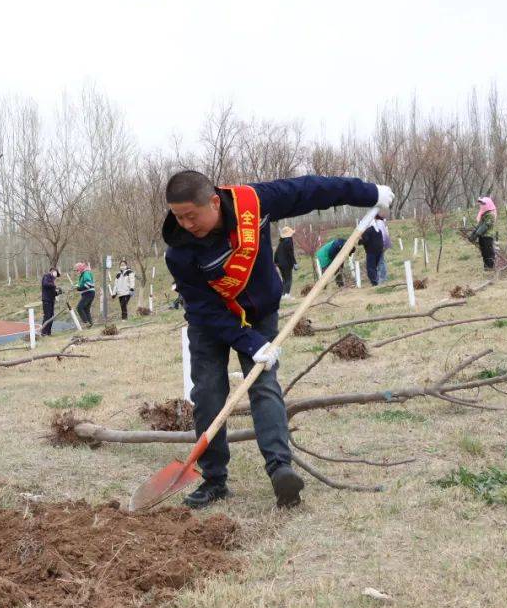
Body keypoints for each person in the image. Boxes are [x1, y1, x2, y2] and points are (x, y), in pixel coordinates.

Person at [162, 170, 392, 509]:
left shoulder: (252, 204)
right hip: (211, 322)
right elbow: (203, 309)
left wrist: (369, 193)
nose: (185, 224)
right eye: (178, 217)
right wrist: (251, 344)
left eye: (191, 216)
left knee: (263, 384)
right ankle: (214, 480)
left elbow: (311, 191)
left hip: (260, 312)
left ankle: (280, 470)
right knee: (209, 391)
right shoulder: (179, 252)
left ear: (213, 201)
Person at [468, 196, 498, 270]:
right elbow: (479, 225)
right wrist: (473, 234)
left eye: (483, 204)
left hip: (488, 237)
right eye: (481, 204)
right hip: (482, 236)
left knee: (489, 252)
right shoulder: (483, 215)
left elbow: (485, 226)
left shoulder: (491, 215)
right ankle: (486, 267)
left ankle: (491, 266)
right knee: (484, 252)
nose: (482, 206)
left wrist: (476, 234)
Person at [273, 226, 297, 297]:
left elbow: (276, 253)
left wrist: (276, 262)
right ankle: (287, 294)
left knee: (284, 279)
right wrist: (295, 263)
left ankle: (283, 295)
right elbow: (290, 253)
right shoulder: (289, 241)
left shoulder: (281, 242)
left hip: (280, 264)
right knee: (289, 279)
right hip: (287, 264)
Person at [360, 219, 385, 286]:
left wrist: (360, 242)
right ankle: (379, 279)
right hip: (379, 251)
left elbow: (365, 240)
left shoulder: (367, 231)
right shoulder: (378, 230)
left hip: (371, 251)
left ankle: (374, 282)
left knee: (371, 267)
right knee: (376, 266)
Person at [40, 267, 62, 335]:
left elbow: (52, 292)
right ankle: (43, 332)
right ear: (53, 272)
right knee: (47, 316)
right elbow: (45, 284)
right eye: (56, 274)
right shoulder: (46, 276)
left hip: (51, 300)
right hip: (46, 300)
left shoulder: (52, 280)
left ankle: (48, 332)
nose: (56, 277)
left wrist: (58, 293)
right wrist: (55, 286)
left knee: (51, 316)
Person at [73, 262, 95, 327]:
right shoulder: (83, 274)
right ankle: (90, 325)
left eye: (77, 270)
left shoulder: (86, 273)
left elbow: (88, 284)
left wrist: (79, 288)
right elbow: (81, 284)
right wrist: (76, 286)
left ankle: (86, 322)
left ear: (80, 268)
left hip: (88, 293)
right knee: (86, 309)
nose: (77, 271)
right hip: (88, 293)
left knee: (79, 307)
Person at [375, 214, 391, 283]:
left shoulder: (379, 223)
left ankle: (383, 278)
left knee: (380, 261)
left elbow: (382, 235)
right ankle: (382, 277)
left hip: (381, 244)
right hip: (382, 243)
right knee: (381, 261)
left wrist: (381, 245)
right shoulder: (380, 222)